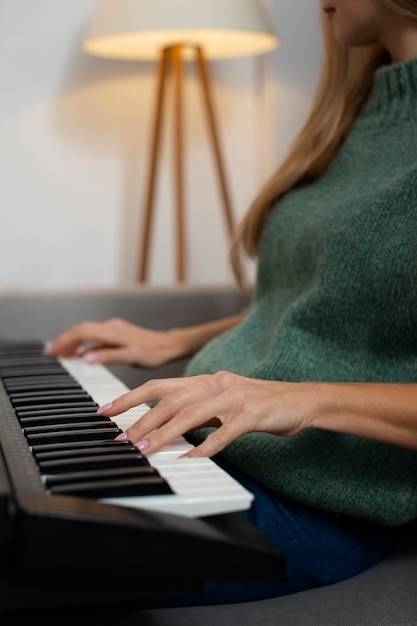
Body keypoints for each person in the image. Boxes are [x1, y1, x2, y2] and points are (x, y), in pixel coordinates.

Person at [46, 0, 417, 604]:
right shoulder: (354, 112)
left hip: (311, 503)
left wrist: (299, 401)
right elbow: (334, 305)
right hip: (205, 454)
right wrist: (173, 340)